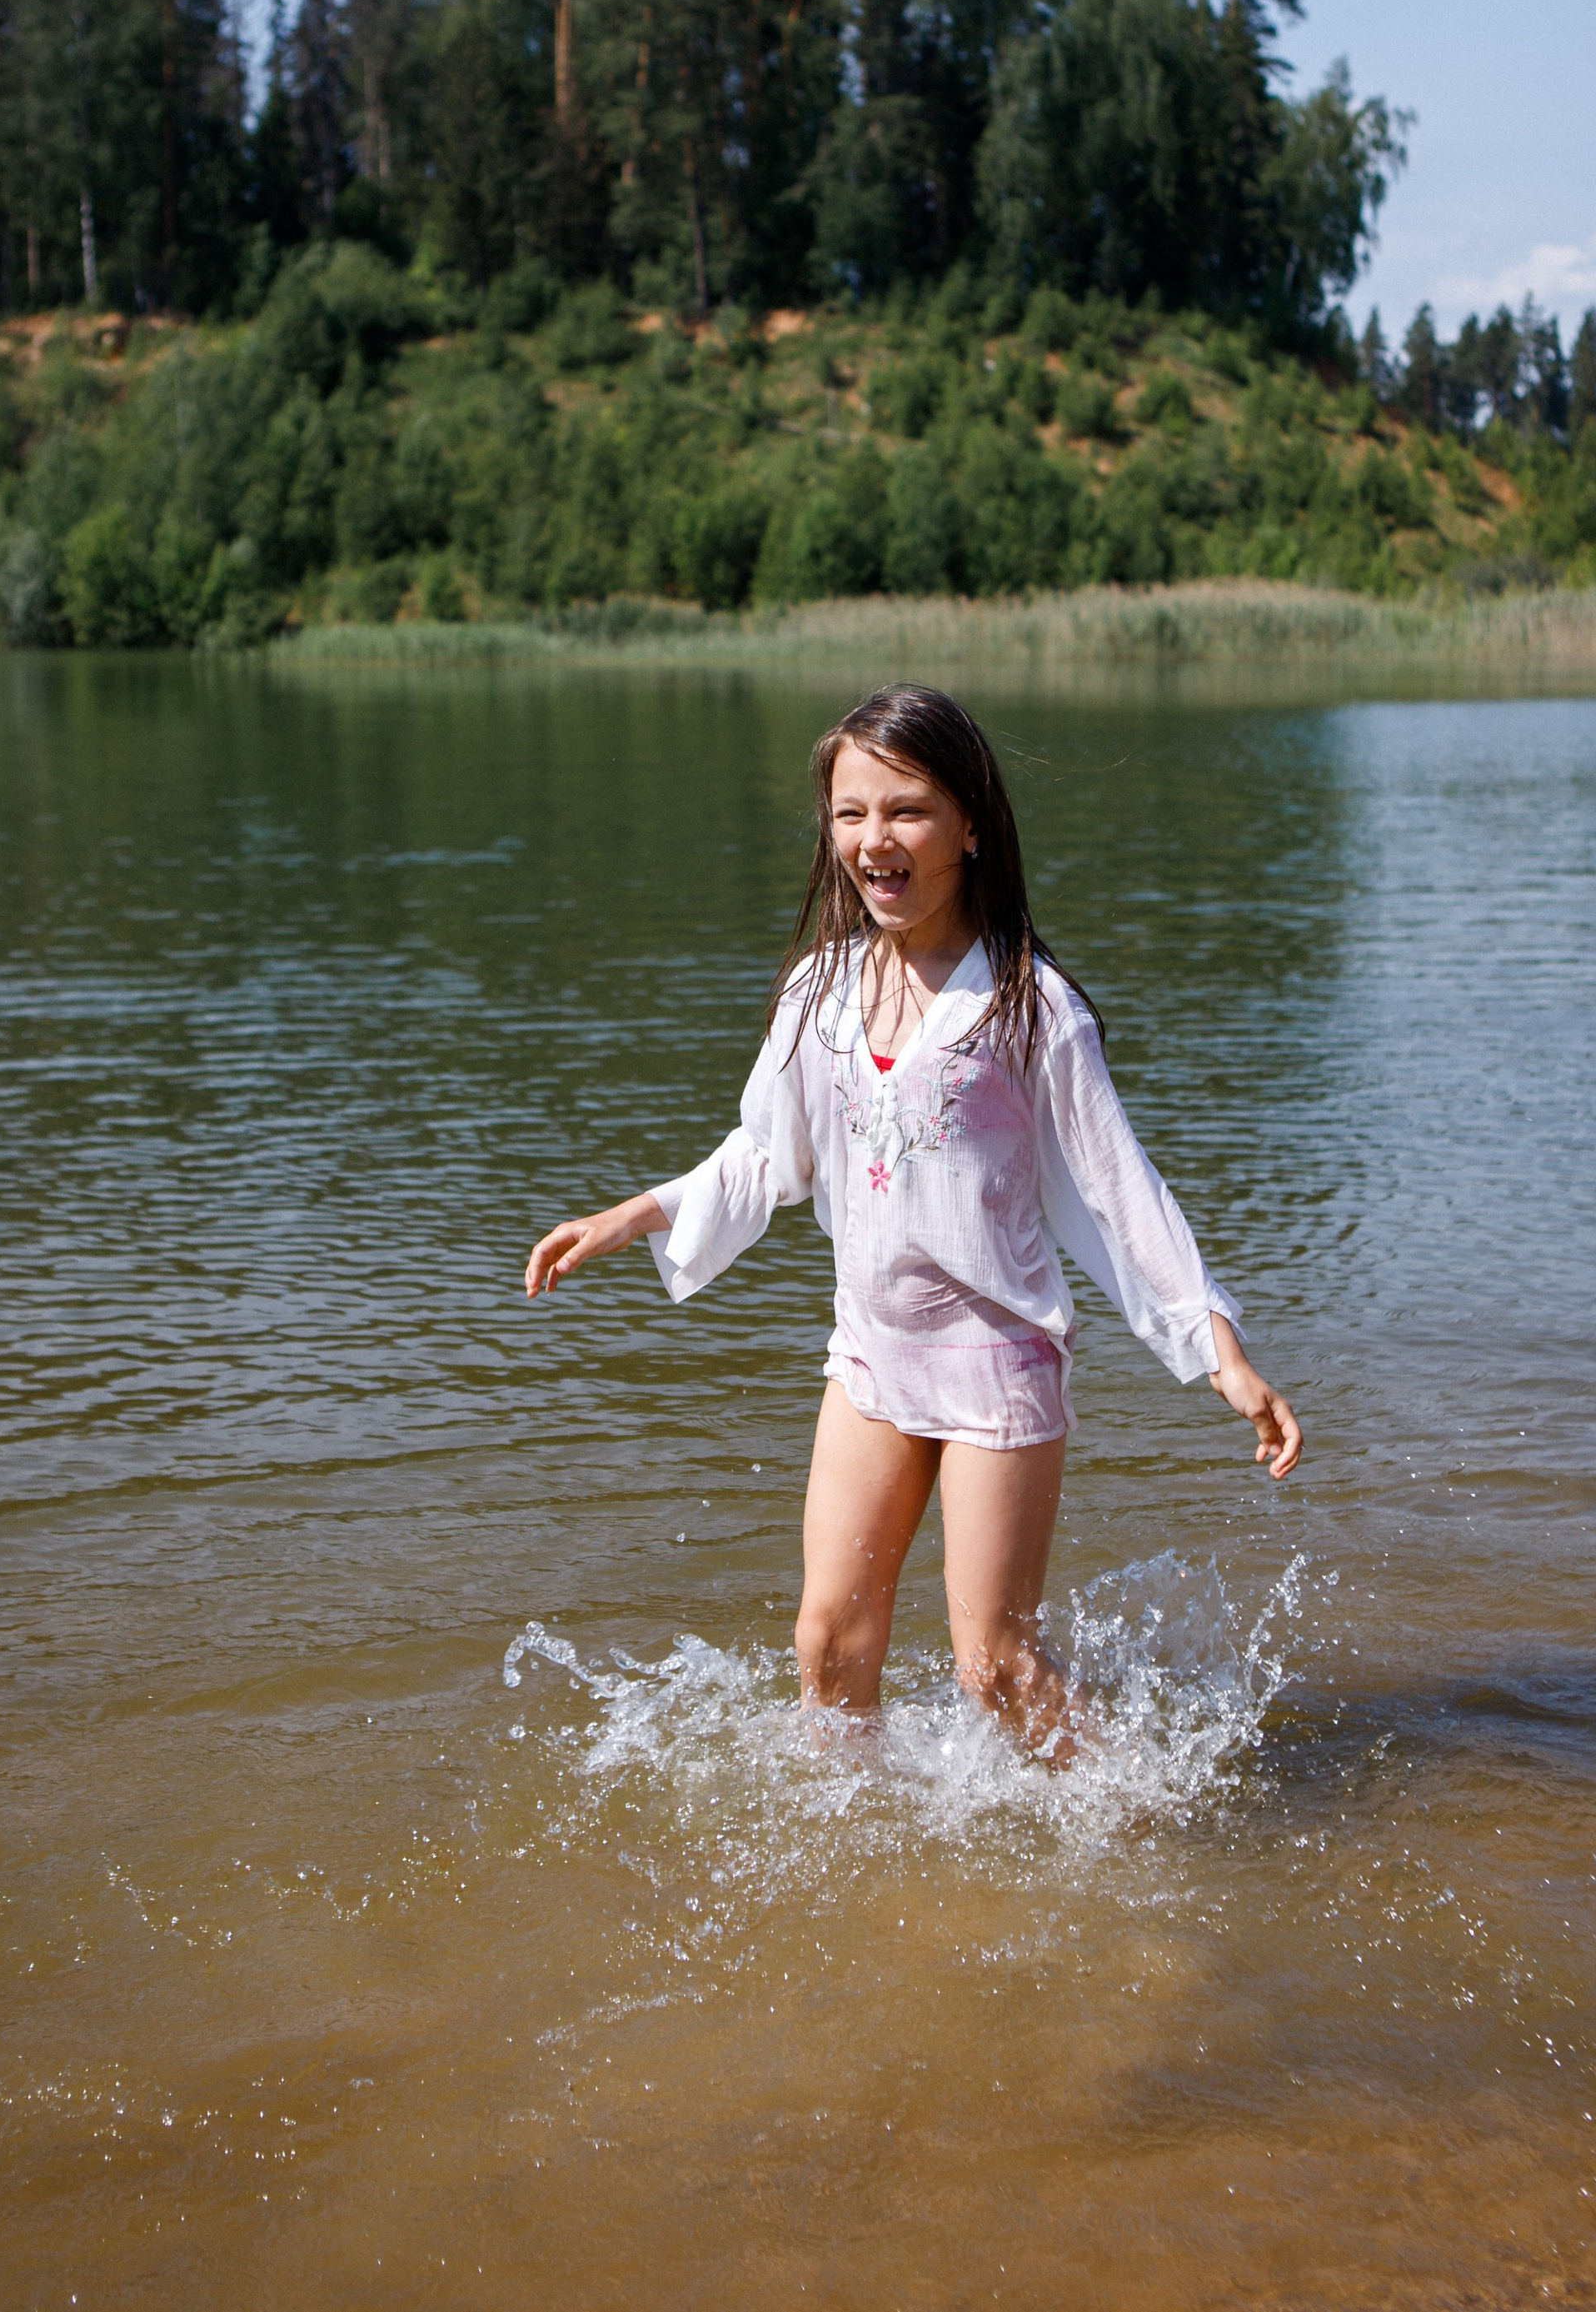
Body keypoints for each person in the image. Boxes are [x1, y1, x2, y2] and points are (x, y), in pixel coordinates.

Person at [526, 682, 1300, 1758]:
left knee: (996, 1667)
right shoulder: (818, 995)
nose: (873, 839)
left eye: (906, 810)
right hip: (873, 1358)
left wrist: (1223, 1354)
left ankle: (1136, 1818)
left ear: (969, 824)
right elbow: (767, 1154)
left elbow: (1123, 1193)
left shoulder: (1030, 1008)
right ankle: (859, 1860)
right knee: (829, 1642)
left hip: (998, 1359)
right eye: (850, 812)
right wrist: (629, 1216)